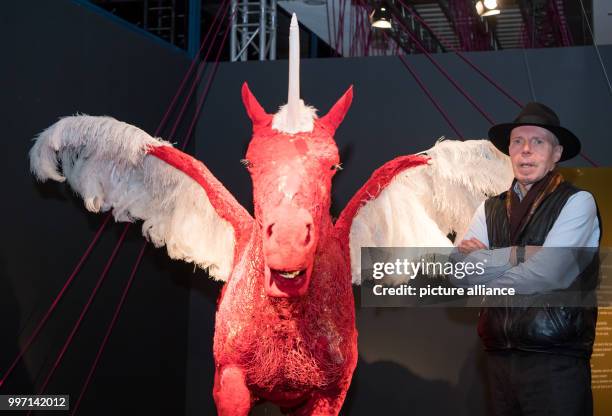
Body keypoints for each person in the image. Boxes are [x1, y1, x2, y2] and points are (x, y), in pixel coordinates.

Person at [455, 102, 600, 416]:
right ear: (508, 150)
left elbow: (548, 273)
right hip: (498, 356)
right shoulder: (488, 208)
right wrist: (520, 260)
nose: (526, 151)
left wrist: (487, 261)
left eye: (538, 142)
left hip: (555, 358)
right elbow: (459, 274)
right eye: (518, 142)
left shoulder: (577, 203)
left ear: (556, 153)